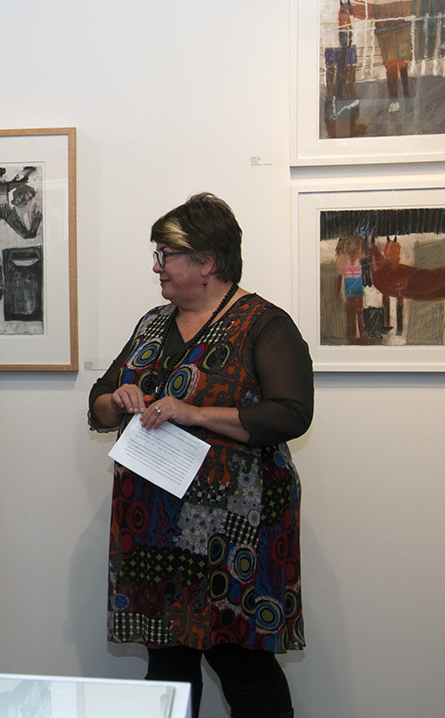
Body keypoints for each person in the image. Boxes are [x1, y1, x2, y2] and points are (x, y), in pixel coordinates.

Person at [87, 193, 313, 718]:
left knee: (243, 665)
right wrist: (117, 400)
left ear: (207, 262)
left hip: (236, 532)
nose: (157, 266)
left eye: (166, 255)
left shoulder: (264, 323)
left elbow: (291, 414)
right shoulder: (152, 322)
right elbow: (99, 401)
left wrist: (195, 413)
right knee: (167, 668)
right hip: (154, 526)